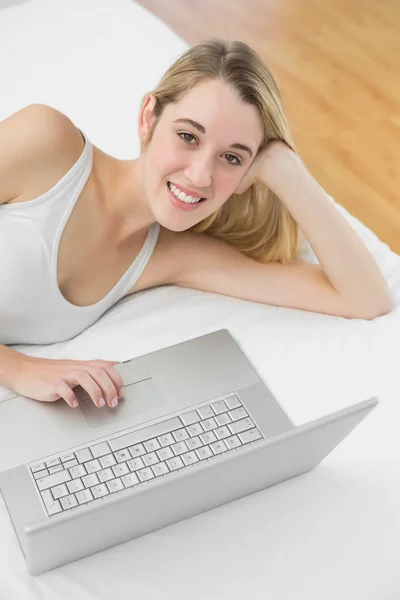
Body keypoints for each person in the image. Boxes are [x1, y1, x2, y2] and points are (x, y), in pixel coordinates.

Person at [0, 38, 392, 410]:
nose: (201, 175)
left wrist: (286, 169)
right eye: (188, 136)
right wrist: (18, 369)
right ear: (147, 117)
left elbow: (364, 300)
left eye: (232, 158)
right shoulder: (47, 145)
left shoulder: (176, 256)